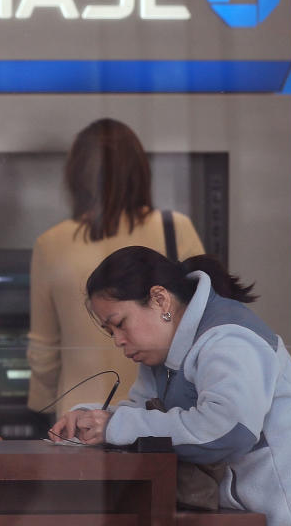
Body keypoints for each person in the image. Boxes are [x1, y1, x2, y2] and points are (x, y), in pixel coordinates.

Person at [51, 246, 291, 526]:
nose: (118, 340)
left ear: (160, 299)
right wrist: (91, 419)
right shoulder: (162, 354)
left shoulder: (230, 339)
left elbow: (227, 431)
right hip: (235, 515)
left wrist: (116, 425)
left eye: (121, 324)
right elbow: (139, 415)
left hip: (286, 514)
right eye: (110, 332)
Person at [27, 118, 204, 415]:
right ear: (140, 171)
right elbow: (203, 322)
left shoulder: (51, 243)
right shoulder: (175, 229)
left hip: (80, 416)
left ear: (76, 176)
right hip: (161, 413)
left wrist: (39, 408)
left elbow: (44, 352)